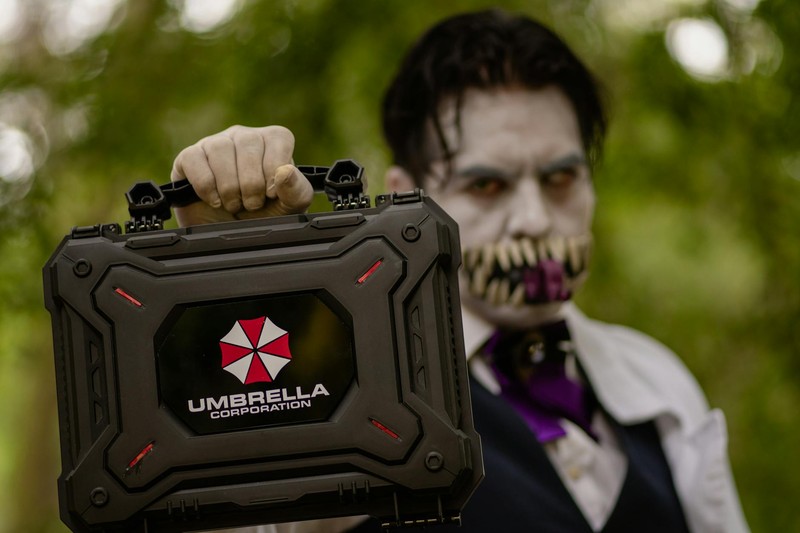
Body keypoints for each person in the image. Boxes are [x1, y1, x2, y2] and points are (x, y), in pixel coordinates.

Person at [173, 9, 748, 533]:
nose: (533, 220)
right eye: (487, 185)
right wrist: (236, 275)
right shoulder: (343, 390)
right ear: (407, 197)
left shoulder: (655, 380)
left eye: (561, 178)